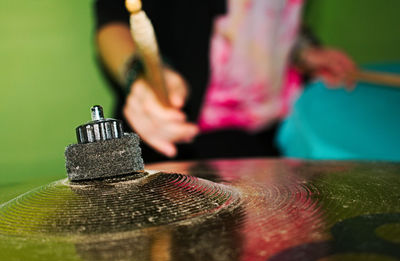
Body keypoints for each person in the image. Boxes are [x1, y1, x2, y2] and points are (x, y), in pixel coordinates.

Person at [94, 0, 356, 162]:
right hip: (190, 140)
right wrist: (137, 76)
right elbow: (112, 20)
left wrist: (302, 51)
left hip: (274, 133)